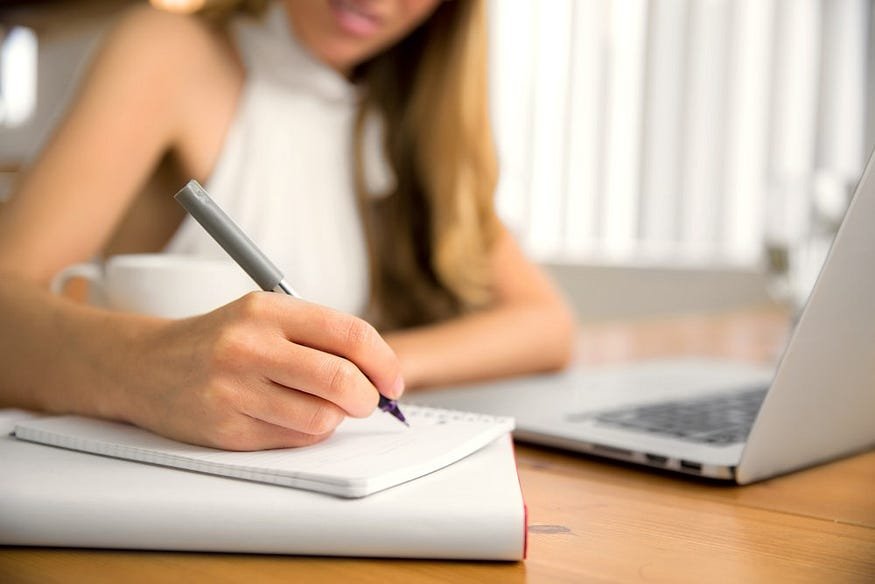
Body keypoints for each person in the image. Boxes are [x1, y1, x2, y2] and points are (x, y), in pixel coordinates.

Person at [0, 0, 574, 450]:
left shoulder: (407, 124)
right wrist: (150, 366)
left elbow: (548, 325)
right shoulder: (169, 51)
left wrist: (365, 367)